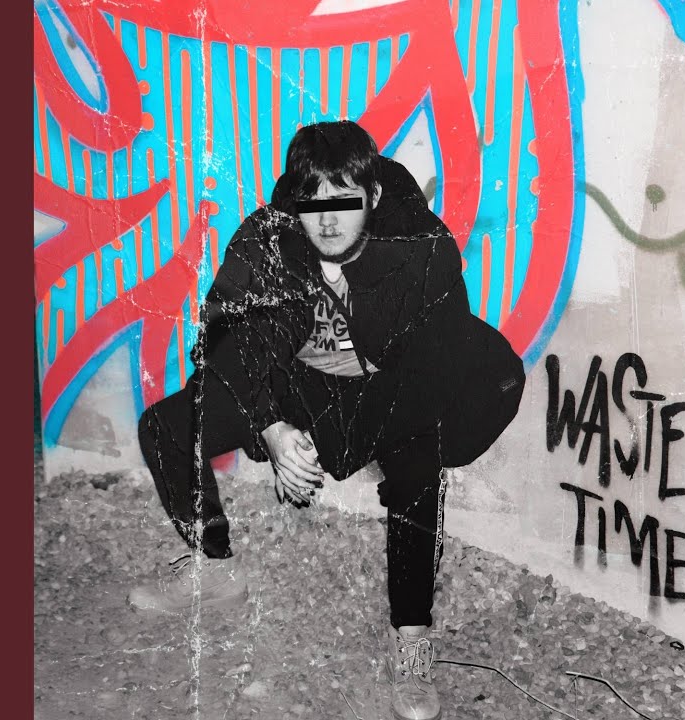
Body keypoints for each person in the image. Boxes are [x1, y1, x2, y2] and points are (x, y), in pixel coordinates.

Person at [132, 121, 524, 720]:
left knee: (417, 469)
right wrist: (272, 428)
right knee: (166, 426)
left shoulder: (421, 248)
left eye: (345, 202)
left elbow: (431, 367)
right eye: (313, 204)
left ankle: (412, 638)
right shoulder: (271, 237)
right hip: (299, 383)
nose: (329, 222)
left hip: (395, 388)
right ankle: (215, 567)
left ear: (373, 197)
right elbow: (225, 336)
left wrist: (326, 443)